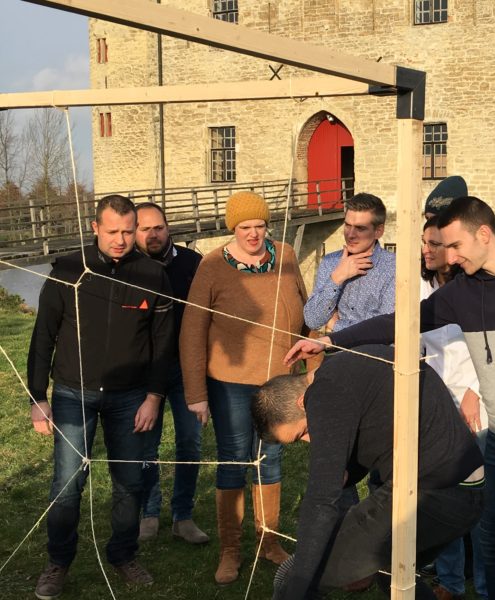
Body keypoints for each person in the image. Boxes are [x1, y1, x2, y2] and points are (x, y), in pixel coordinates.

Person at [286, 196, 495, 600]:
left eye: (456, 246)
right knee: (492, 539)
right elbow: (402, 323)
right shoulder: (463, 292)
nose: (451, 257)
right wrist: (331, 340)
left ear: (484, 234)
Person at [27, 195, 175, 599]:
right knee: (67, 483)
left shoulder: (152, 274)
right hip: (73, 393)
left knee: (130, 481)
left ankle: (123, 554)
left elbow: (163, 344)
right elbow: (43, 335)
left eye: (128, 231)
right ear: (95, 228)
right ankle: (58, 561)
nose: (121, 240)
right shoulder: (68, 270)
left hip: (132, 397)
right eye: (112, 232)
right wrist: (38, 397)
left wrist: (154, 396)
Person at [251, 345, 484, 600]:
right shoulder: (345, 369)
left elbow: (321, 501)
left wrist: (299, 584)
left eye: (303, 432)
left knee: (293, 579)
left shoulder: (323, 392)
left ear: (302, 402)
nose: (310, 440)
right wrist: (348, 473)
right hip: (468, 488)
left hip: (434, 493)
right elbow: (377, 431)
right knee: (390, 573)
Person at [180, 191, 309, 584]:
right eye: (245, 227)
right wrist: (196, 394)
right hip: (229, 383)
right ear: (232, 228)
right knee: (234, 458)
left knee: (270, 458)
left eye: (260, 226)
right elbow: (192, 330)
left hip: (279, 380)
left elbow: (308, 311)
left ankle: (268, 542)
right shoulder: (212, 265)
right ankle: (231, 550)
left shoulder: (285, 255)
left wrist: (314, 370)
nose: (253, 234)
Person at [421, 210, 488, 600]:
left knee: (478, 496)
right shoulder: (420, 288)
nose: (427, 250)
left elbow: (490, 346)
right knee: (443, 493)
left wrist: (474, 391)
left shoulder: (476, 289)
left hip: (476, 401)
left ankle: (484, 581)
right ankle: (449, 581)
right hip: (437, 403)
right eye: (425, 243)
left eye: (436, 244)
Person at [133, 202, 208, 545]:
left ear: (169, 228)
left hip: (185, 366)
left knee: (190, 441)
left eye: (158, 227)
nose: (153, 234)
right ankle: (148, 512)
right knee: (145, 444)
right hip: (144, 370)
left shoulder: (193, 263)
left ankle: (183, 515)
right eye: (145, 228)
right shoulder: (127, 267)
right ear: (135, 232)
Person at [303, 192, 395, 333]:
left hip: (372, 348)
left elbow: (384, 330)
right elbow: (312, 320)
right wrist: (336, 278)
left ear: (378, 231)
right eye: (347, 225)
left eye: (360, 228)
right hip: (331, 347)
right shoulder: (330, 262)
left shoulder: (393, 267)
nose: (350, 235)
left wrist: (336, 324)